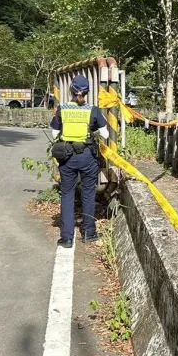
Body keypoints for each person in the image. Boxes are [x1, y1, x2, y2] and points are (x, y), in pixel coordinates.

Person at [50, 75, 109, 248]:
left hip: (67, 156)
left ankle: (67, 237)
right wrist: (93, 132)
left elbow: (54, 133)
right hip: (87, 156)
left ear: (71, 90)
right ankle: (89, 233)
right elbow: (105, 134)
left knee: (67, 194)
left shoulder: (62, 109)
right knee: (88, 194)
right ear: (88, 91)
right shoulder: (93, 110)